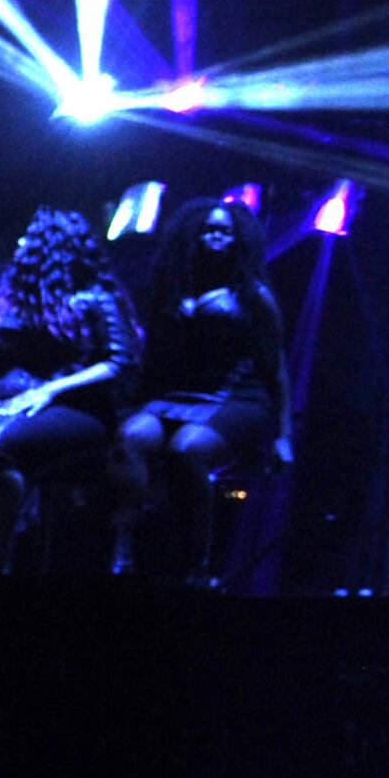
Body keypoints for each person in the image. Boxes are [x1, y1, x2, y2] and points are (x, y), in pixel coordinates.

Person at [0, 208, 141, 567]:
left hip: (80, 408)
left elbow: (118, 362)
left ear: (52, 247)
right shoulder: (16, 301)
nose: (21, 244)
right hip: (13, 400)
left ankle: (0, 556)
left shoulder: (97, 297)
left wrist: (50, 390)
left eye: (29, 238)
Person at [121, 196, 289, 582]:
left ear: (238, 240)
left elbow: (276, 367)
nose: (215, 237)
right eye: (208, 230)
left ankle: (195, 563)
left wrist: (283, 436)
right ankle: (128, 544)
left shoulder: (254, 296)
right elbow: (154, 356)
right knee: (130, 439)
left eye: (224, 232)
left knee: (187, 449)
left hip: (238, 397)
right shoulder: (172, 288)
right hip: (176, 396)